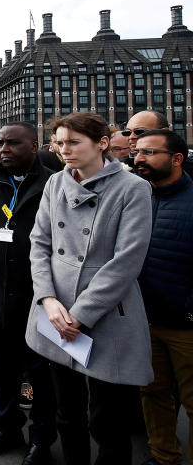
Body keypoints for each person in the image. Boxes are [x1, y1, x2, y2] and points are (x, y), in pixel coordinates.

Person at [25, 111, 153, 465]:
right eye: (60, 142)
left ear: (102, 143)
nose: (65, 150)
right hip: (55, 312)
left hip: (105, 314)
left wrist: (79, 315)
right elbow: (40, 244)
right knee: (67, 412)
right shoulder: (55, 184)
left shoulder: (133, 189)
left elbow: (126, 261)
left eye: (73, 142)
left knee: (107, 420)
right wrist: (47, 299)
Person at [0, 122, 57, 465]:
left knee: (40, 373)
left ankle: (42, 438)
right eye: (0, 143)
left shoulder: (55, 185)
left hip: (41, 301)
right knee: (3, 369)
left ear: (34, 146)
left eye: (12, 143)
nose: (3, 149)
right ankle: (7, 426)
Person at [133, 129, 193, 465]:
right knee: (153, 392)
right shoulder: (135, 197)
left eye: (150, 152)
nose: (139, 158)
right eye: (138, 152)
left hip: (184, 325)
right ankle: (163, 454)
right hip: (145, 319)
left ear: (176, 158)